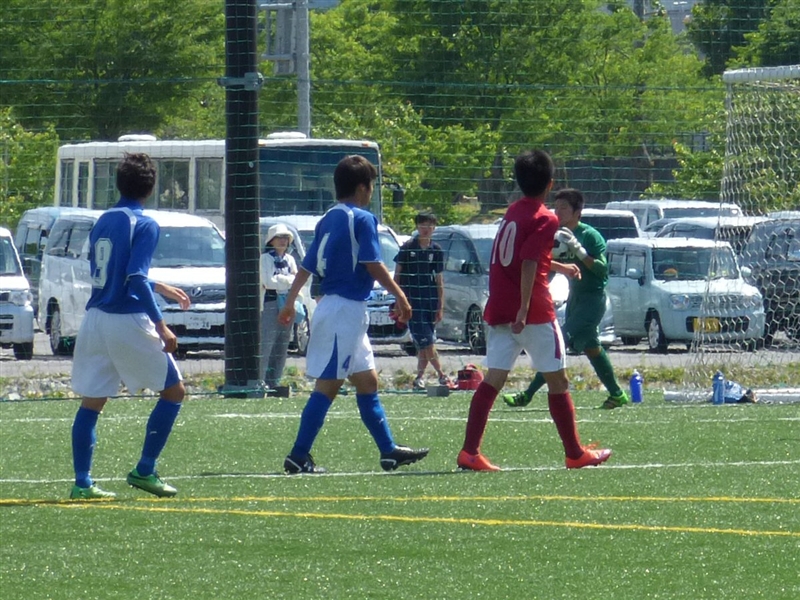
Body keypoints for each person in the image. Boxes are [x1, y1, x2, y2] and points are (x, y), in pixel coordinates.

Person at [456, 150, 612, 472]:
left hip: (500, 305)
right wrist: (525, 309)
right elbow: (528, 263)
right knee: (558, 381)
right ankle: (575, 453)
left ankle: (469, 452)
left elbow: (520, 257)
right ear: (550, 184)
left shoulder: (513, 210)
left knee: (493, 380)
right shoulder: (545, 218)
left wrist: (560, 267)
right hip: (532, 312)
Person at [277, 155, 429, 473]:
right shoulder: (362, 218)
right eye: (371, 186)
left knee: (367, 381)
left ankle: (388, 450)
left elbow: (306, 266)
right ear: (362, 187)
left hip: (341, 310)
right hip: (343, 311)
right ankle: (298, 456)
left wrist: (291, 301)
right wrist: (400, 295)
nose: (371, 192)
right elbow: (372, 263)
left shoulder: (328, 218)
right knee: (328, 385)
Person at [69, 153, 192, 499]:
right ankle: (145, 470)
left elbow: (116, 272)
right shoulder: (145, 223)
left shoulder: (103, 220)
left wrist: (159, 285)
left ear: (118, 184)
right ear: (151, 188)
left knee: (92, 402)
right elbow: (134, 278)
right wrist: (162, 325)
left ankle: (82, 483)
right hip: (127, 318)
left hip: (96, 318)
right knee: (174, 392)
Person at [502, 188, 629, 410]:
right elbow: (543, 267)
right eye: (556, 207)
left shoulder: (589, 235)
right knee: (591, 347)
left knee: (558, 344)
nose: (558, 212)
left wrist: (580, 251)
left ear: (577, 212)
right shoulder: (554, 234)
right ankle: (617, 394)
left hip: (593, 300)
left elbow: (602, 271)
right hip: (575, 299)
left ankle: (527, 395)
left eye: (563, 208)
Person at [393, 211, 451, 389]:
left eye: (429, 225)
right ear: (417, 226)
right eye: (422, 225)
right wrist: (398, 301)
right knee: (427, 340)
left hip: (430, 300)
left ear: (434, 228)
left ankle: (419, 378)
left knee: (425, 342)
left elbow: (439, 280)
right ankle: (442, 375)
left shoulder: (436, 250)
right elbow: (397, 276)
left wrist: (440, 305)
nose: (426, 229)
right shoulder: (407, 247)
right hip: (412, 301)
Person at [260, 223, 298, 391]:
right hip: (270, 303)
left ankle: (274, 381)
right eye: (279, 237)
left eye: (285, 238)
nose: (283, 241)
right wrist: (287, 280)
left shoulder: (290, 259)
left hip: (289, 304)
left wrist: (281, 280)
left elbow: (298, 282)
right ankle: (261, 380)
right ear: (271, 240)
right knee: (266, 343)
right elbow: (268, 283)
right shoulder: (265, 259)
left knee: (282, 344)